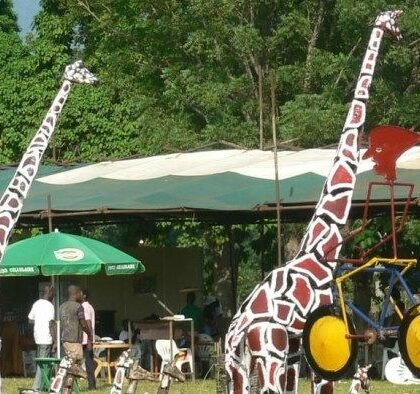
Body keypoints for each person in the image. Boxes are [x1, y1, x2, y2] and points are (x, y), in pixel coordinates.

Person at [28, 284, 55, 391]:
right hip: (46, 337)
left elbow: (30, 320)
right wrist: (55, 340)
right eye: (53, 292)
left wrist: (39, 320)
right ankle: (37, 387)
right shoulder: (49, 306)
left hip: (37, 336)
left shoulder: (36, 303)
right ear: (49, 292)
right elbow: (51, 324)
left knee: (44, 362)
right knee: (43, 363)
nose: (54, 295)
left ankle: (45, 384)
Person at [60, 285, 92, 365]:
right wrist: (89, 333)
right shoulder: (78, 306)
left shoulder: (62, 306)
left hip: (64, 340)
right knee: (75, 365)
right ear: (76, 293)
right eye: (79, 293)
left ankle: (67, 377)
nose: (81, 295)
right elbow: (83, 325)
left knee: (69, 363)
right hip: (74, 340)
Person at [81, 288, 96, 390]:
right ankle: (92, 385)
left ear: (84, 295)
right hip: (88, 339)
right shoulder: (89, 306)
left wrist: (89, 339)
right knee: (89, 361)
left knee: (88, 362)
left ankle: (91, 385)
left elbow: (88, 322)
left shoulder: (84, 306)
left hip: (86, 339)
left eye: (79, 293)